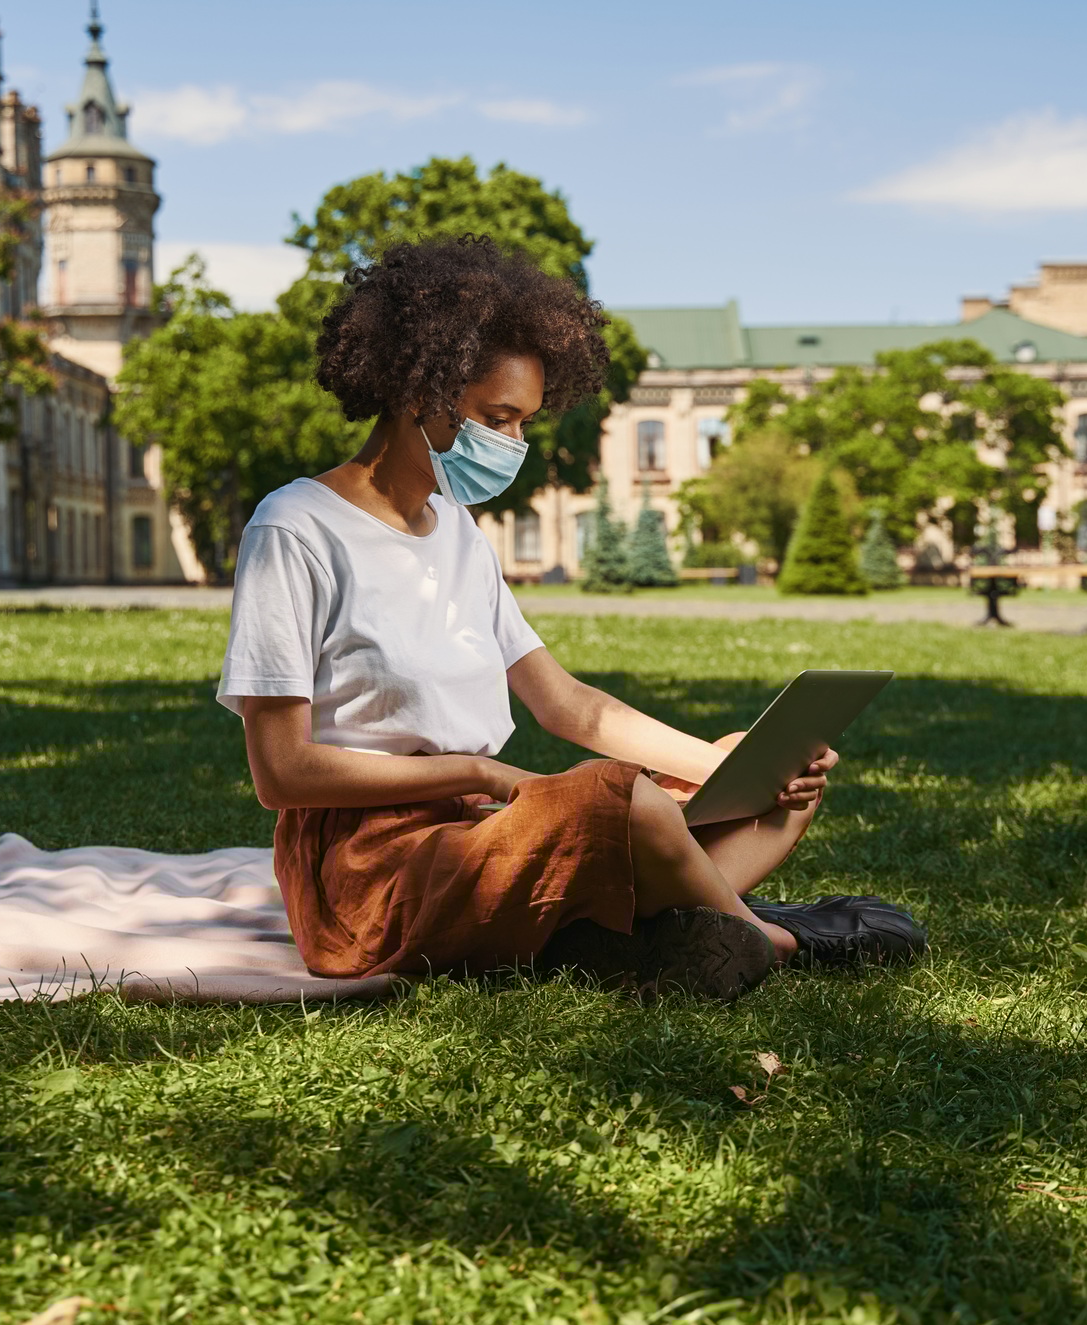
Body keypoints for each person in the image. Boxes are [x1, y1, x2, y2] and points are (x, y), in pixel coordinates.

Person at [219, 238, 921, 999]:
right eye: (498, 417)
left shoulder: (456, 530)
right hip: (373, 873)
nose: (514, 444)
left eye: (524, 422)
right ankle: (773, 940)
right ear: (419, 392)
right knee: (623, 799)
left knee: (762, 766)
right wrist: (482, 771)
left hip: (485, 825)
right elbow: (281, 772)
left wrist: (727, 766)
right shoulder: (295, 528)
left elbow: (569, 704)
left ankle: (666, 933)